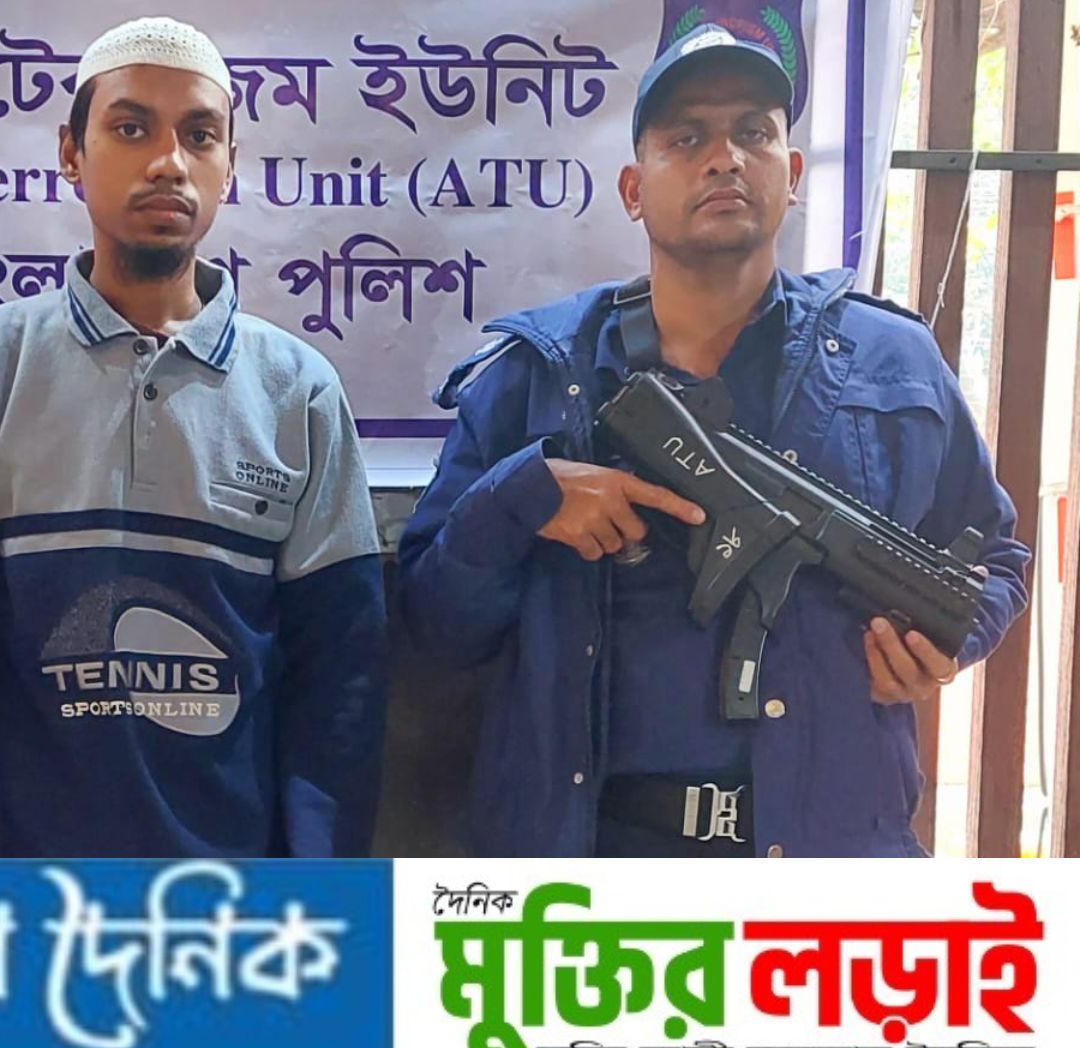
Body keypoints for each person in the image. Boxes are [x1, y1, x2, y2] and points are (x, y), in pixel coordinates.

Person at [396, 23, 1030, 857]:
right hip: (587, 871)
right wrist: (522, 499)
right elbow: (436, 625)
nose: (725, 158)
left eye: (753, 133)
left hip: (826, 864)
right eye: (687, 138)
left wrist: (945, 646)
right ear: (633, 189)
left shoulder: (894, 361)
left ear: (792, 175)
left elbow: (995, 557)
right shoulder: (538, 374)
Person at [0, 16, 386, 857]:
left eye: (199, 136)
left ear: (229, 166)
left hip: (234, 900)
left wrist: (311, 889)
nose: (168, 163)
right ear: (70, 153)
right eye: (130, 128)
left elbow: (342, 685)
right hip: (28, 899)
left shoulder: (298, 392)